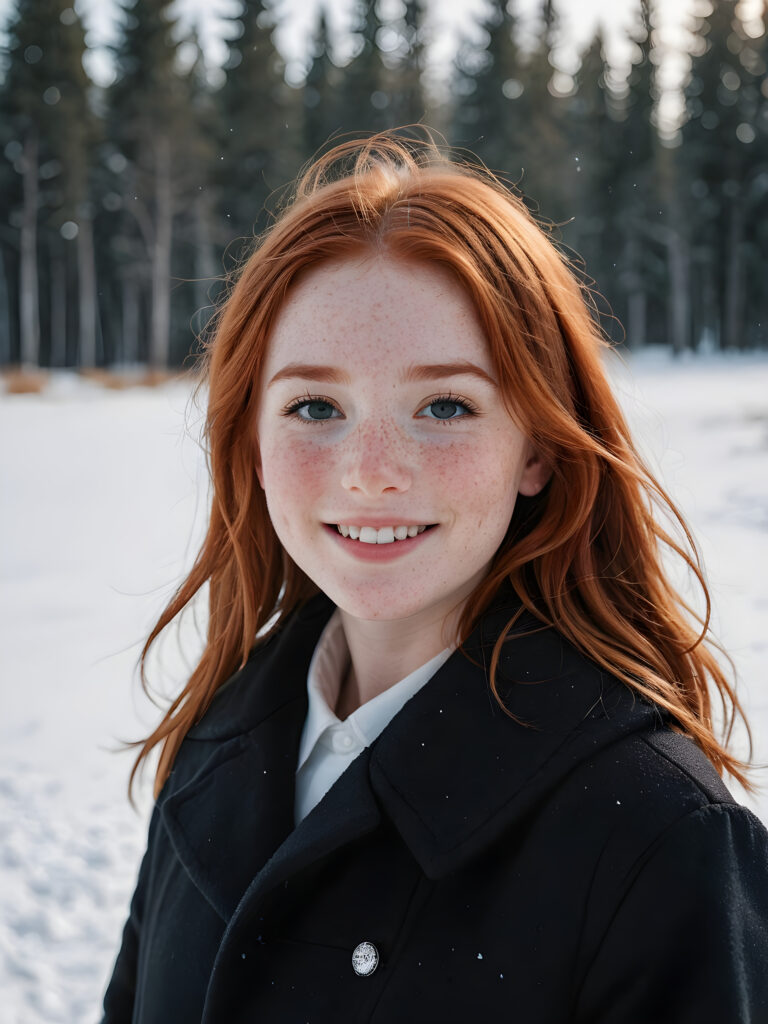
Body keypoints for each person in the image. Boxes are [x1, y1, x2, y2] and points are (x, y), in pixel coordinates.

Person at [101, 130, 768, 1024]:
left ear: (536, 445)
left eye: (445, 405)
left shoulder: (658, 838)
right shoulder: (214, 745)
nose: (371, 470)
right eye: (314, 406)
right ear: (251, 445)